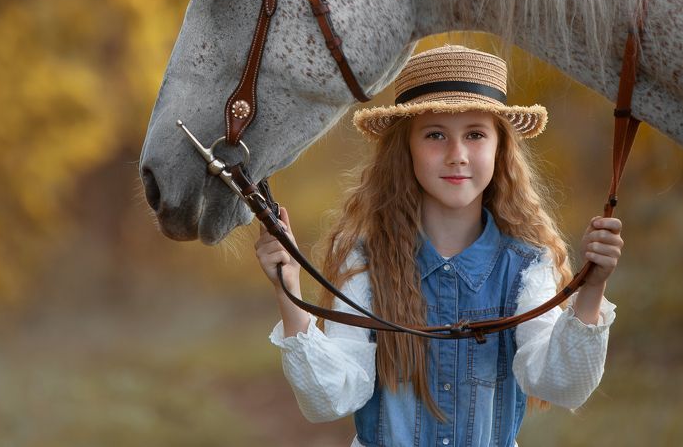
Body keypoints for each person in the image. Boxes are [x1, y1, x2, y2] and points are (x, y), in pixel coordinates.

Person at [255, 45, 623, 447]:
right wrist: (288, 289)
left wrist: (592, 289)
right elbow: (332, 397)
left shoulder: (526, 265)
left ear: (499, 148)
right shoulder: (365, 260)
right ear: (406, 149)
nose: (457, 155)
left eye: (475, 135)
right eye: (435, 135)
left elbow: (561, 384)